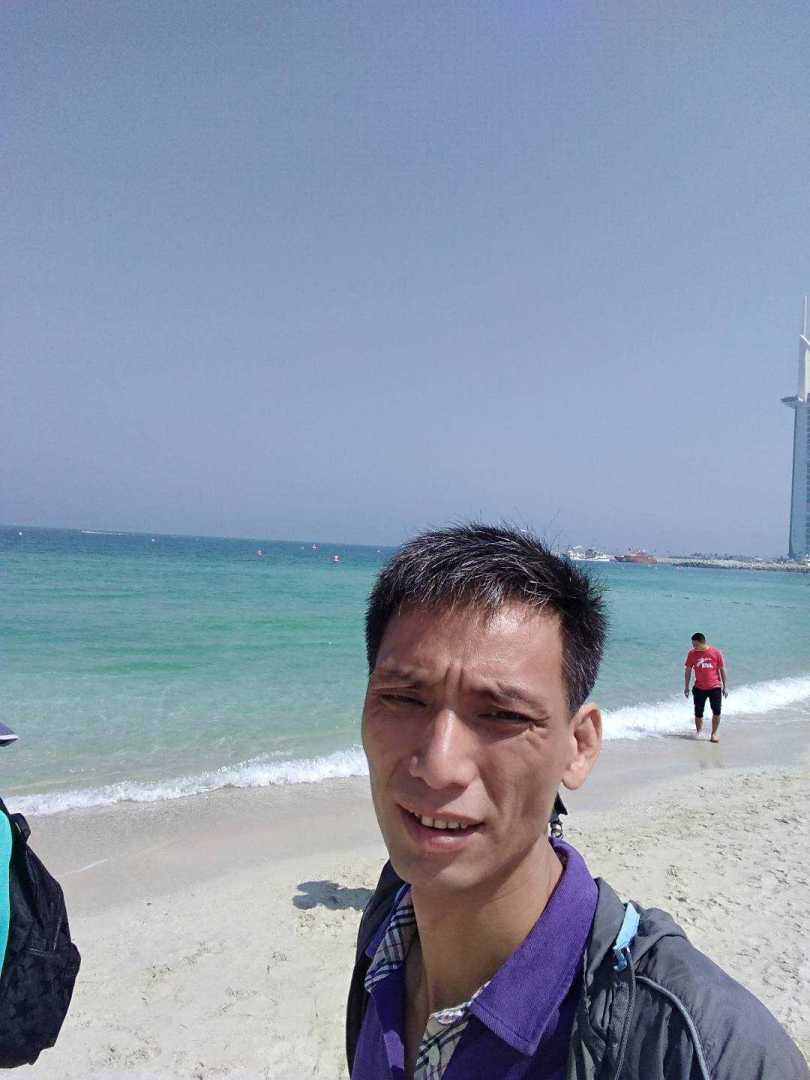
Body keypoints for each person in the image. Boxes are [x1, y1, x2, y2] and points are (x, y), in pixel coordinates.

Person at [346, 525, 807, 1080]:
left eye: (503, 714)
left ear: (579, 746)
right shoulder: (388, 926)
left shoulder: (705, 1052)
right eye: (401, 699)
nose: (439, 765)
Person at [684, 632, 727, 743]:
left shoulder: (716, 652)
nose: (693, 646)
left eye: (695, 644)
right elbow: (688, 670)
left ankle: (714, 734)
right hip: (699, 688)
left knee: (717, 711)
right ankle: (699, 732)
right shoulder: (692, 654)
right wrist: (686, 686)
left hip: (715, 686)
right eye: (693, 644)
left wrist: (725, 687)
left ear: (702, 642)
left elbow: (722, 669)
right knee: (698, 712)